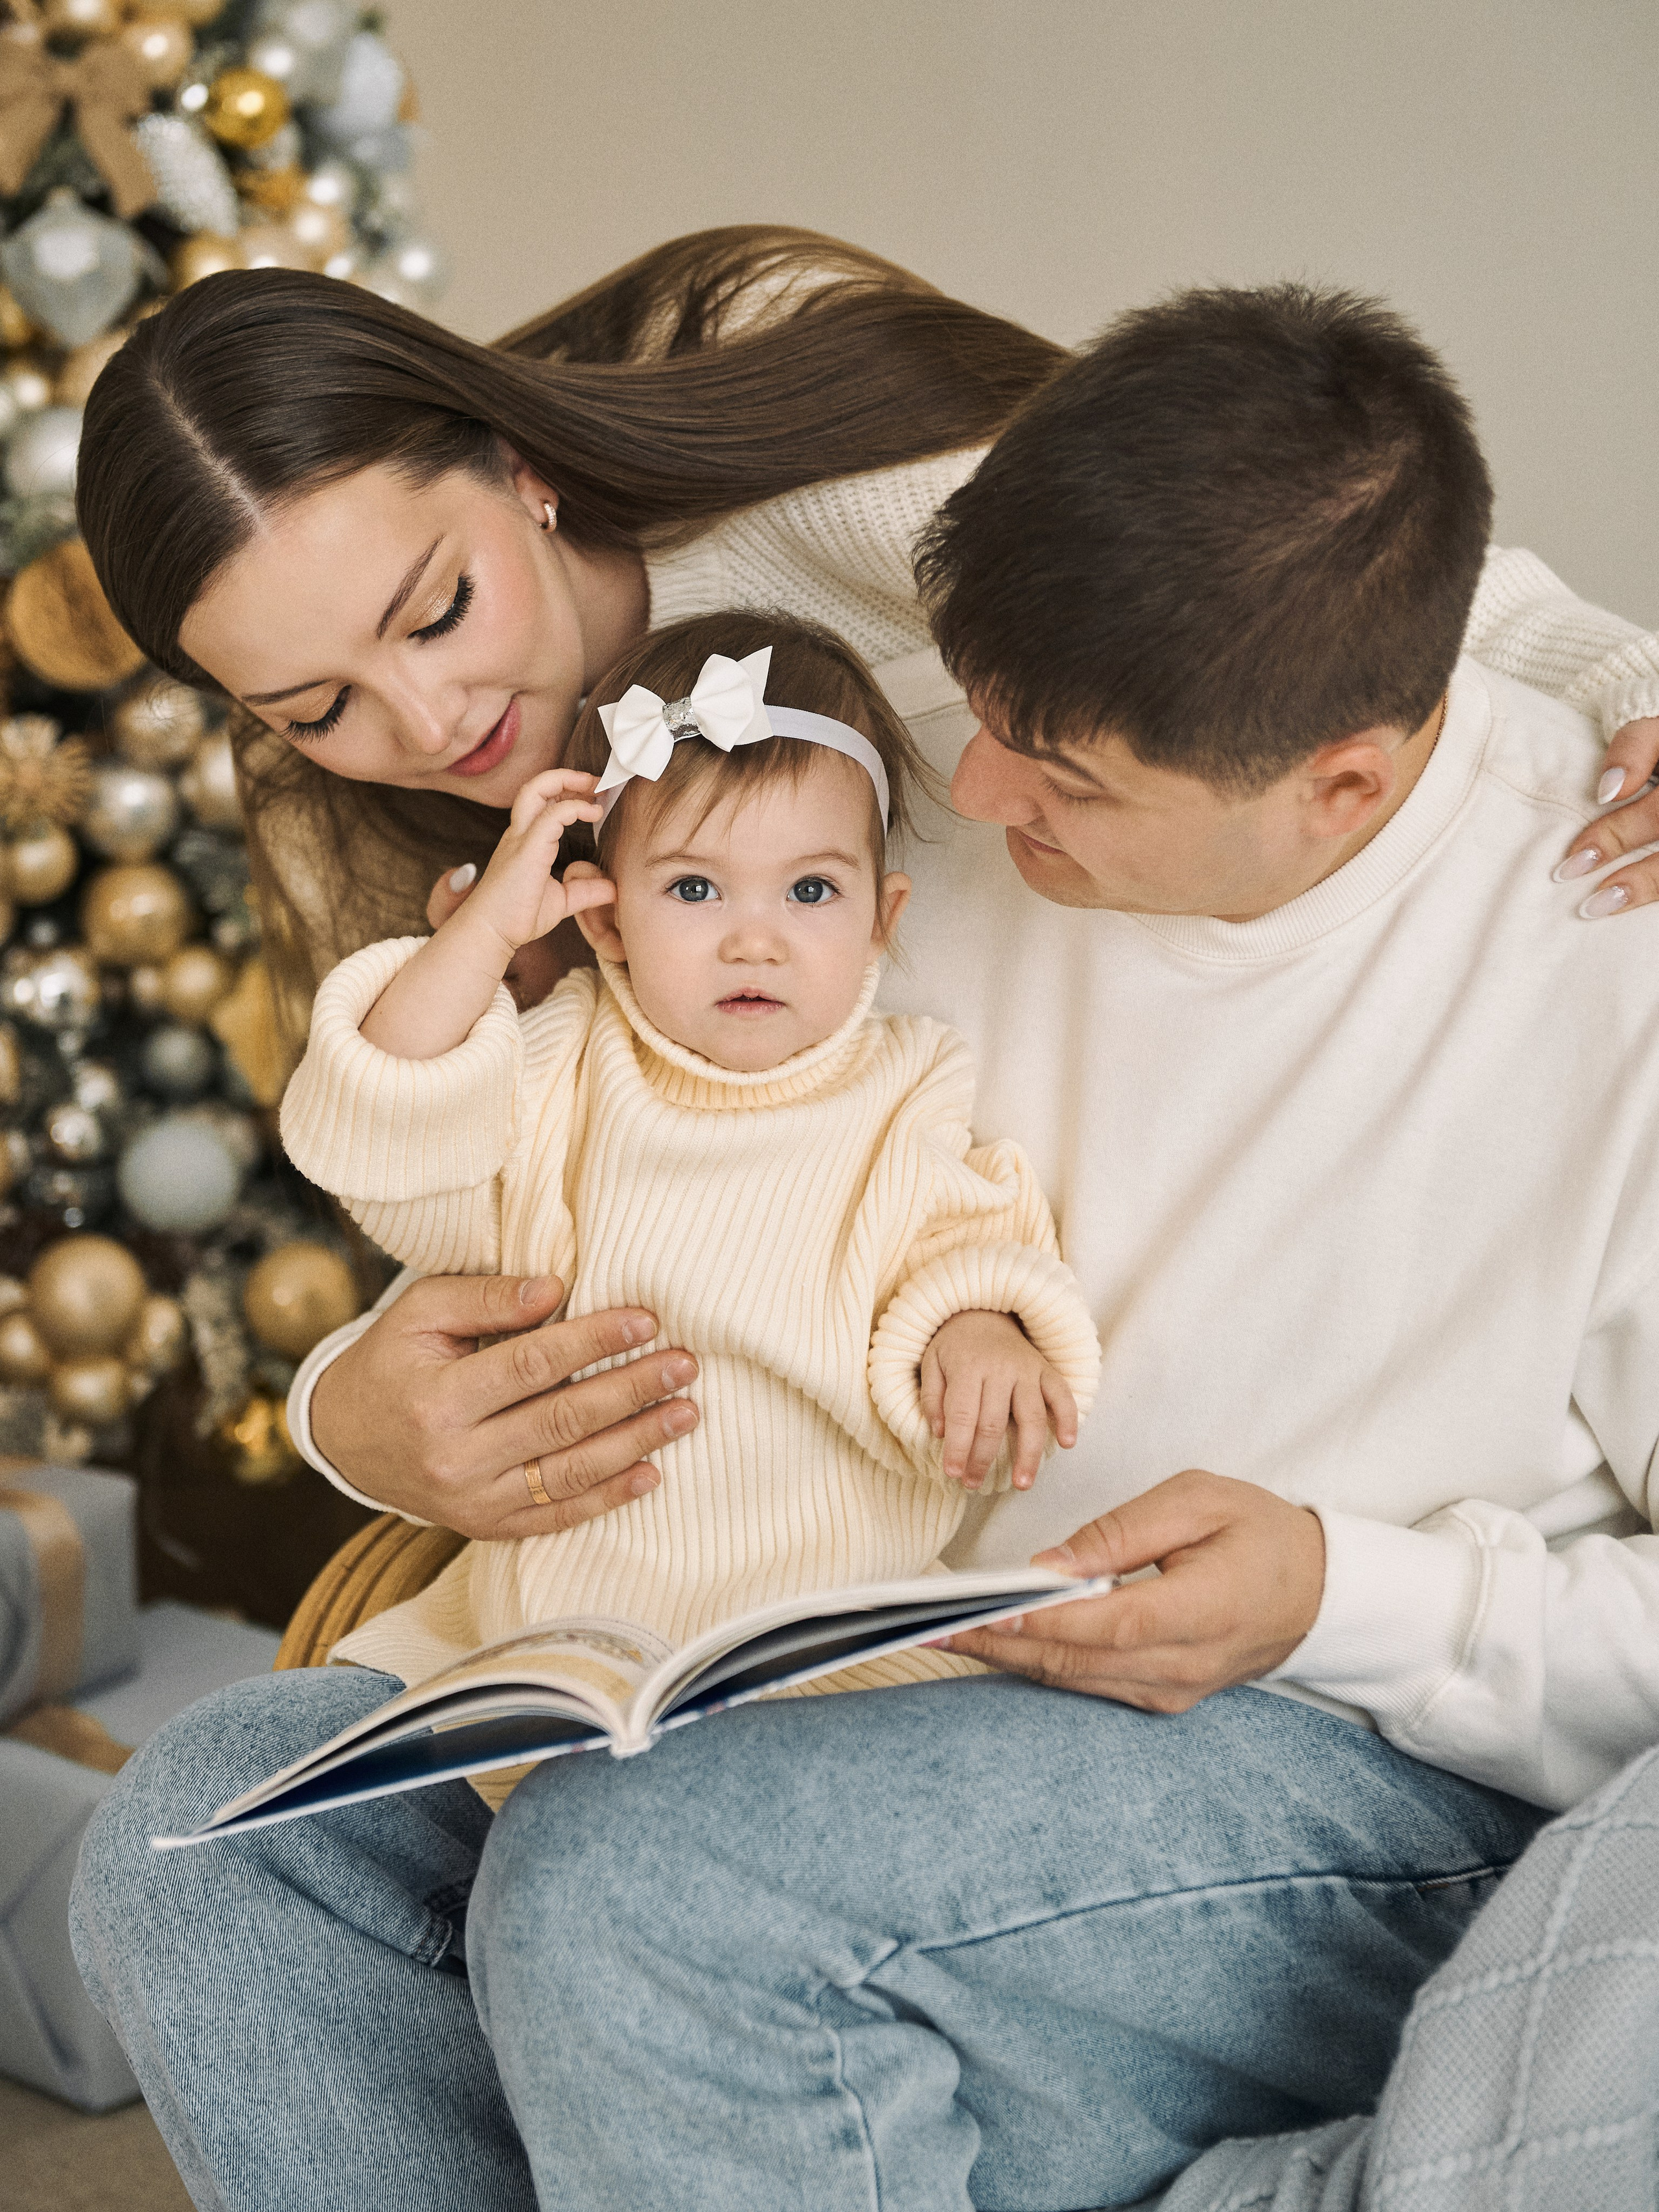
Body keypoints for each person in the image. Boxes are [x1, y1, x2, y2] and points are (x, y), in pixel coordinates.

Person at [64, 242, 1659, 2209]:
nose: (964, 791)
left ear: (1340, 781)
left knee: (644, 1881)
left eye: (1051, 773)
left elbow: (1428, 584)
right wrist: (345, 1398)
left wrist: (1343, 1591)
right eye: (320, 699)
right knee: (197, 1847)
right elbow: (573, 1177)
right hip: (856, 1654)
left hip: (1329, 1753)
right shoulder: (882, 799)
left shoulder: (1608, 957)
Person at [277, 611, 1099, 1778]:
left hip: (819, 1656)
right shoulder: (564, 1065)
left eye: (811, 891)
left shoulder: (907, 1087)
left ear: (883, 919)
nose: (754, 941)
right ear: (606, 913)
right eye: (697, 889)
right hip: (554, 1645)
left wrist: (974, 1327)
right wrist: (483, 931)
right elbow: (385, 1145)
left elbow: (970, 1242)